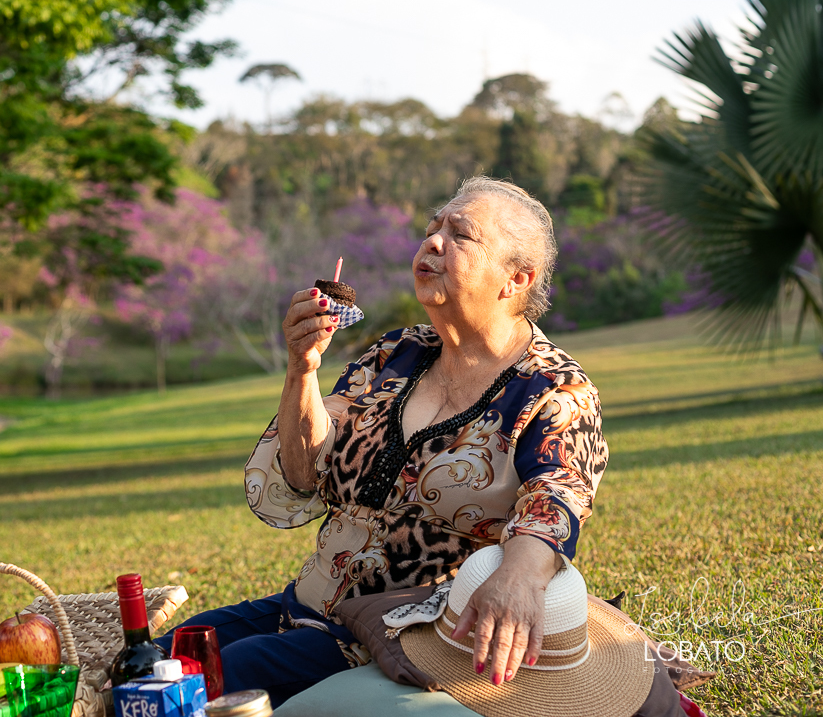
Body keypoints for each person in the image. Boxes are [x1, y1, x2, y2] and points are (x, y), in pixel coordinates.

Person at [158, 178, 609, 707]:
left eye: (460, 234)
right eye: (432, 229)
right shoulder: (396, 354)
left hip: (408, 630)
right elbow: (305, 474)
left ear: (516, 279)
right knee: (169, 655)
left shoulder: (553, 388)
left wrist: (520, 577)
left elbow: (556, 498)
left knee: (216, 678)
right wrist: (302, 371)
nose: (433, 242)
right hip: (307, 606)